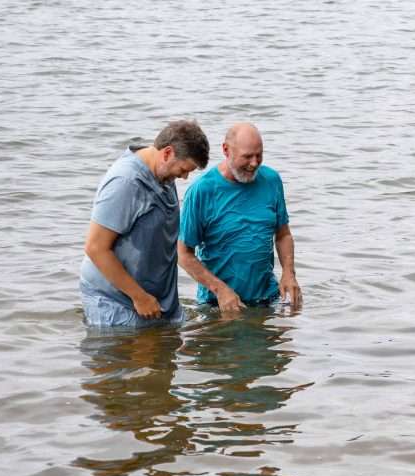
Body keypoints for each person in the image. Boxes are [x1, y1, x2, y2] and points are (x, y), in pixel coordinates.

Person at [80, 120, 209, 326]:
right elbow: (95, 248)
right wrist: (139, 297)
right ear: (167, 153)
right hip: (117, 301)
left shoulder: (163, 174)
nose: (184, 177)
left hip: (157, 300)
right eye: (183, 169)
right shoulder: (125, 182)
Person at [178, 122, 302, 312]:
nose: (254, 163)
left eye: (259, 155)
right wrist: (220, 291)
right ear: (226, 150)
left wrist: (288, 273)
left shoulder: (271, 180)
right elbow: (183, 254)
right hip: (217, 304)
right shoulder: (202, 190)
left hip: (266, 300)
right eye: (247, 157)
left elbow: (283, 234)